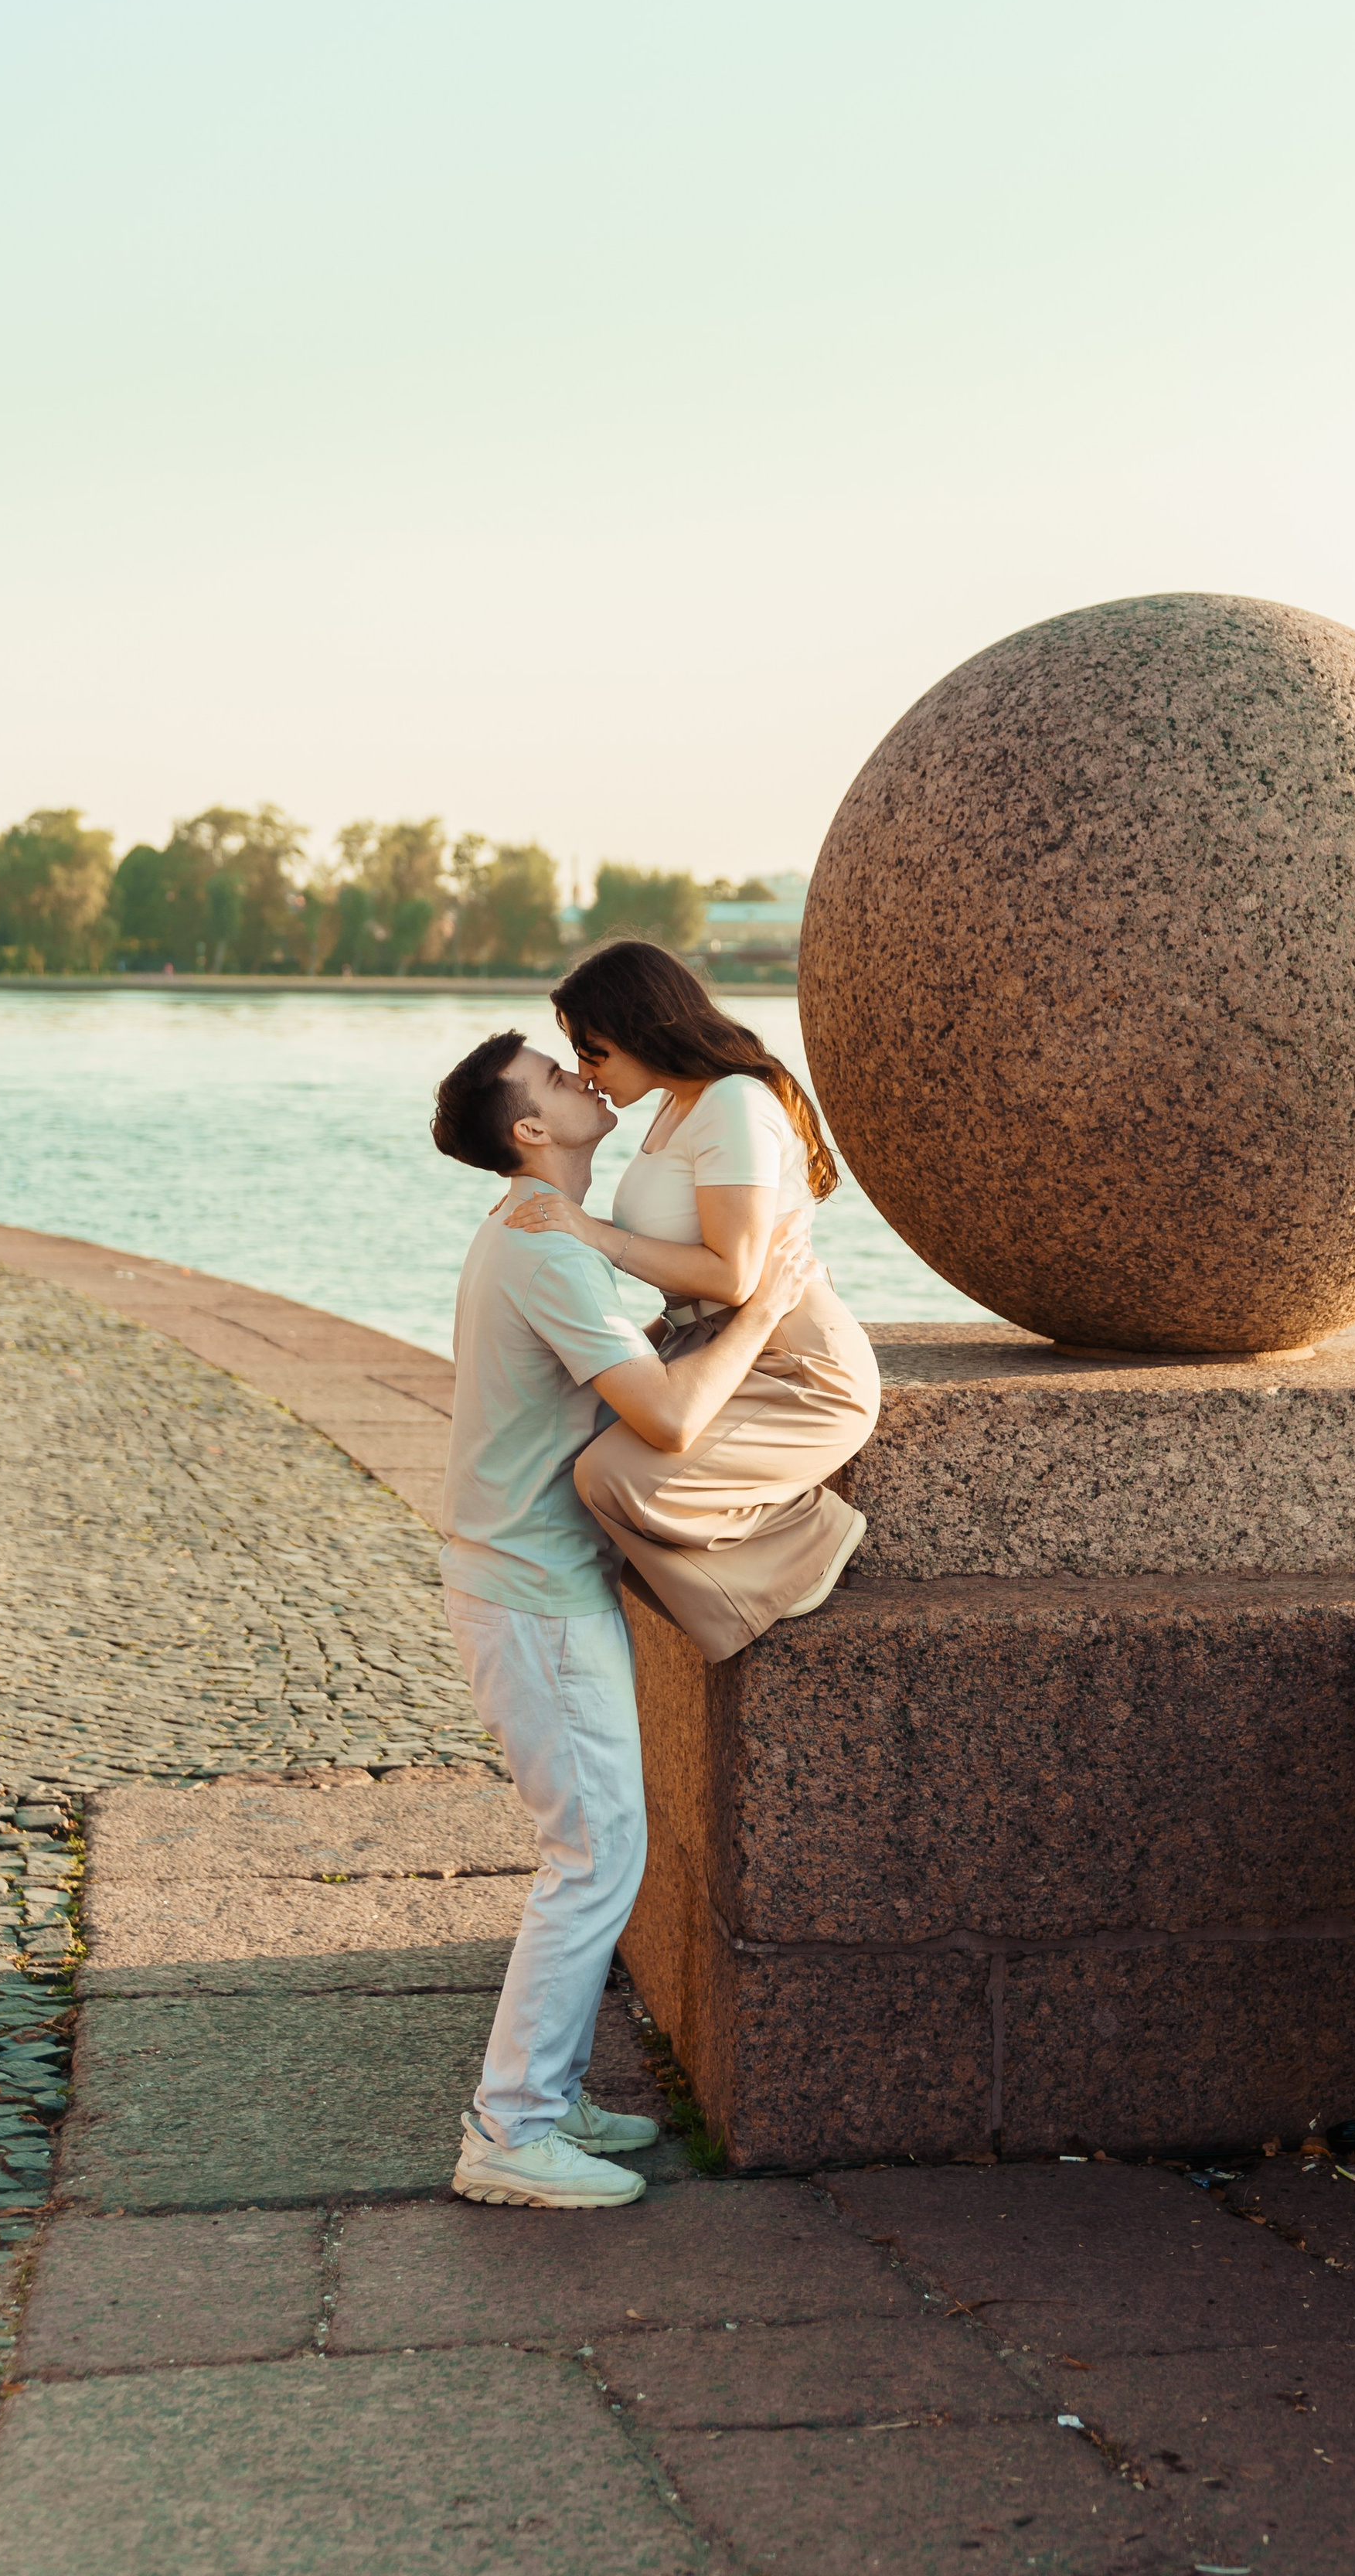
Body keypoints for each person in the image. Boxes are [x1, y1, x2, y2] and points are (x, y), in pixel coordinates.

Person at [431, 1026, 813, 2209]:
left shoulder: (541, 1240)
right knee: (594, 1859)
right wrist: (763, 1306)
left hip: (524, 1581)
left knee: (593, 1851)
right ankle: (511, 2131)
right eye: (554, 1077)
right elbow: (667, 1423)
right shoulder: (548, 1253)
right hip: (532, 1595)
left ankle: (549, 2091)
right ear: (531, 1133)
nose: (581, 1078)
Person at [502, 942, 880, 1665]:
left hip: (798, 1371)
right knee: (564, 1463)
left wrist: (595, 1235)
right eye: (577, 1058)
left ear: (643, 1030)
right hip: (716, 1351)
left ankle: (804, 1543)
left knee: (608, 1478)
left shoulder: (734, 1102)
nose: (586, 1074)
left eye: (595, 1053)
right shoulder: (681, 1104)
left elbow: (736, 1276)